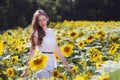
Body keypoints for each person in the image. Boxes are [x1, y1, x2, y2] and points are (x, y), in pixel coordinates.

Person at [21, 9, 71, 79]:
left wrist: (66, 65)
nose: (42, 22)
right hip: (42, 61)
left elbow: (57, 50)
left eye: (44, 19)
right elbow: (32, 51)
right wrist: (26, 71)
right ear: (37, 22)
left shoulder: (51, 31)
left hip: (52, 61)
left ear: (47, 18)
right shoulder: (36, 33)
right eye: (39, 20)